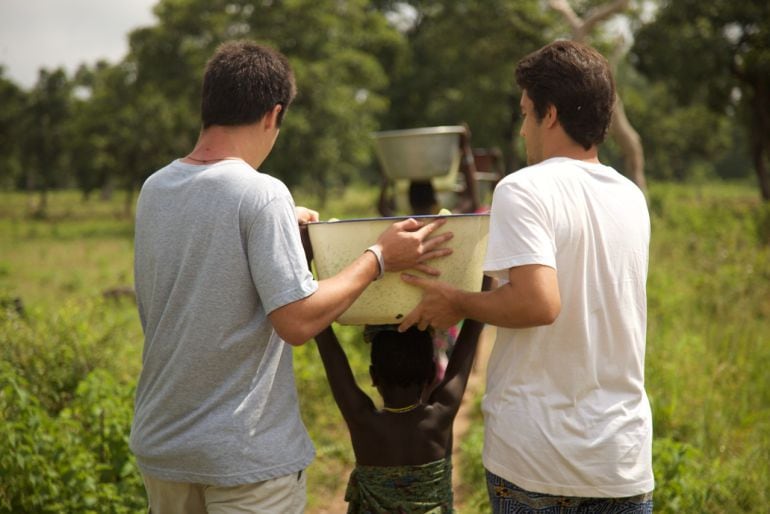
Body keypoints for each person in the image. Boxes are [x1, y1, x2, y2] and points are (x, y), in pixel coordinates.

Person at [130, 40, 453, 514]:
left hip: (163, 448)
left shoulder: (156, 189)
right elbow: (297, 322)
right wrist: (379, 257)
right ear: (272, 114)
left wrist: (279, 229)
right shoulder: (261, 193)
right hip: (243, 457)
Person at [398, 40, 654, 513]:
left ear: (550, 115)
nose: (522, 130)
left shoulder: (525, 188)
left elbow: (537, 304)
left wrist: (457, 301)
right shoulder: (630, 195)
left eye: (524, 113)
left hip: (538, 461)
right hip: (621, 460)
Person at [313, 278, 488, 513]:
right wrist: (485, 272)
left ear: (373, 376)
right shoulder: (440, 416)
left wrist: (307, 275)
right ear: (431, 374)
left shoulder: (362, 420)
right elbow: (473, 328)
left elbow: (327, 345)